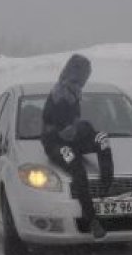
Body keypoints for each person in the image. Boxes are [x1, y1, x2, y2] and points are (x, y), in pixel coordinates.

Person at [41, 54, 115, 239]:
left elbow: (75, 125)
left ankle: (107, 186)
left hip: (72, 138)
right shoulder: (58, 94)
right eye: (81, 78)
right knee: (76, 167)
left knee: (102, 139)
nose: (82, 83)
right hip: (56, 143)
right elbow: (53, 128)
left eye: (84, 79)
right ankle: (92, 220)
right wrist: (66, 130)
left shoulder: (75, 94)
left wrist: (81, 128)